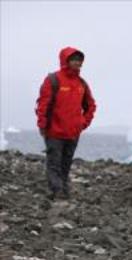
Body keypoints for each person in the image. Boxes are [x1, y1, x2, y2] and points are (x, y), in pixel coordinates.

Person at [35, 46, 96, 200]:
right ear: (65, 60)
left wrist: (83, 123)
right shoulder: (53, 80)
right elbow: (43, 104)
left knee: (66, 163)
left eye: (79, 60)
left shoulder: (82, 84)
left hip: (73, 132)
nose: (77, 63)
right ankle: (57, 191)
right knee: (54, 163)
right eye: (74, 60)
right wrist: (42, 125)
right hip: (54, 131)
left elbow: (91, 105)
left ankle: (63, 188)